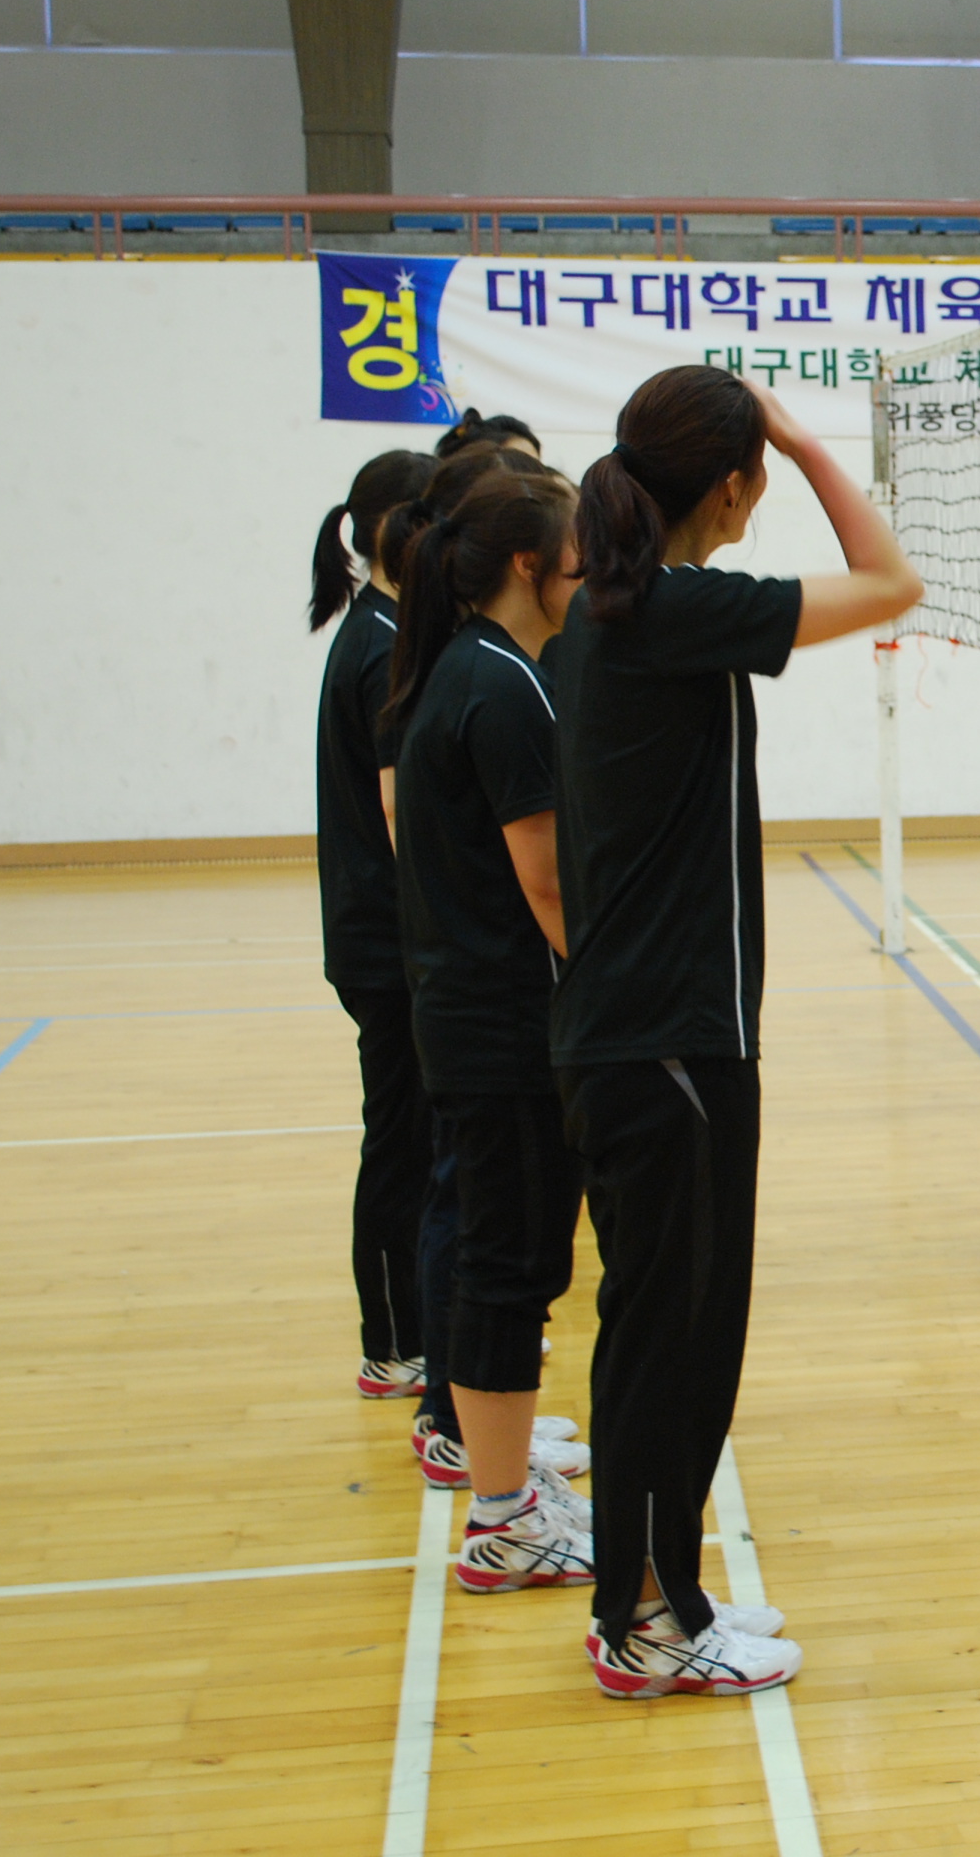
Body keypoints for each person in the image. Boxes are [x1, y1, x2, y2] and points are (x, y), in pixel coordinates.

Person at [551, 366, 921, 1697]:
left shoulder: (612, 612)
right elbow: (890, 584)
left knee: (657, 1337)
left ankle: (658, 1598)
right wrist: (807, 441)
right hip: (671, 1049)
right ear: (730, 483)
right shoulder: (666, 609)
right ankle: (649, 1624)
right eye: (755, 471)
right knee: (679, 1347)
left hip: (636, 1036)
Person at [383, 466, 596, 1593]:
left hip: (472, 1014)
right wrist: (610, 995)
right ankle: (506, 1519)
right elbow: (548, 883)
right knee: (510, 1263)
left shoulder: (469, 667)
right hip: (504, 1026)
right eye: (578, 556)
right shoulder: (502, 687)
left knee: (498, 1254)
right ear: (529, 563)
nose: (590, 575)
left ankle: (503, 1480)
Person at [312, 447, 441, 1401]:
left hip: (387, 941)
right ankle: (394, 1344)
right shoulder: (384, 645)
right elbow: (404, 819)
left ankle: (422, 1333)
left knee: (417, 1139)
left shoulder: (384, 628)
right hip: (388, 947)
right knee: (401, 1141)